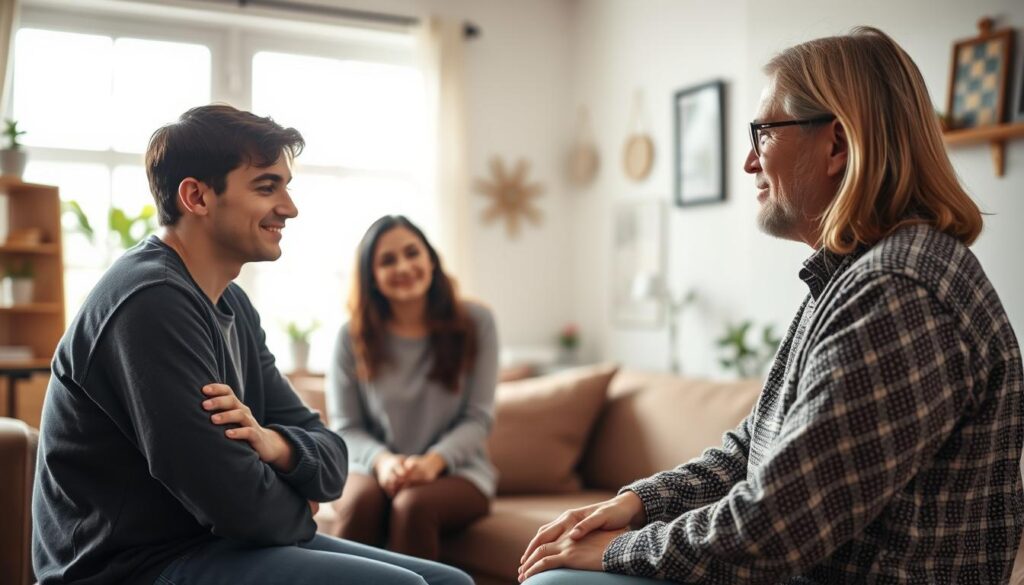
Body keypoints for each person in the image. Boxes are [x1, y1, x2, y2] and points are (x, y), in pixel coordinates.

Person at [518, 26, 1023, 584]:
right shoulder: (853, 276)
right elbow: (755, 444)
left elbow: (775, 526)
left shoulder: (897, 291)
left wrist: (620, 550)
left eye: (762, 134)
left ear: (836, 144)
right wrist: (638, 503)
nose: (749, 163)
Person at [32, 105, 472, 585]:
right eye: (267, 187)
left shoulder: (231, 303)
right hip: (130, 567)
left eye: (287, 187)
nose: (289, 207)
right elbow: (238, 504)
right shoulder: (151, 302)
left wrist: (278, 445)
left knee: (452, 582)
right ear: (196, 196)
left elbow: (331, 457)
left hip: (214, 544)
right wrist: (300, 506)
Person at [325, 214, 498, 560]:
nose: (403, 266)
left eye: (411, 253)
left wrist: (433, 463)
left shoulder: (477, 322)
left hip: (457, 471)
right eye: (387, 260)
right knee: (361, 502)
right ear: (371, 276)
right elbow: (346, 427)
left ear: (430, 260)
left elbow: (477, 418)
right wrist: (384, 462)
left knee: (412, 504)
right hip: (371, 469)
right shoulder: (351, 336)